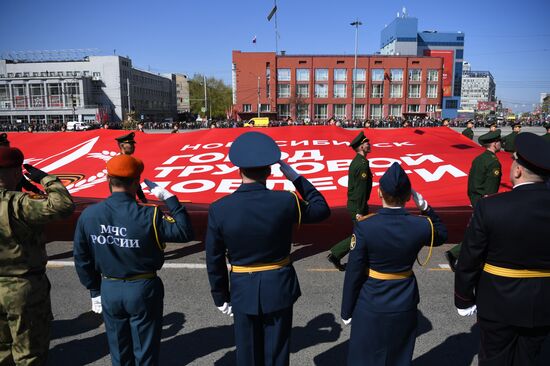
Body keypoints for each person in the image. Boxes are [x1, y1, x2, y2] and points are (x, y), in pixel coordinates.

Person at [205, 131, 330, 366]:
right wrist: (297, 178)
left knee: (248, 356)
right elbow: (321, 209)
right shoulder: (286, 201)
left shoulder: (219, 209)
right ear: (270, 171)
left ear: (238, 170)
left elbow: (214, 258)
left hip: (242, 291)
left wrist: (220, 295)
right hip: (279, 287)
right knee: (277, 355)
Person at [73, 154, 194, 366]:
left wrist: (94, 289)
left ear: (108, 180)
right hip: (142, 287)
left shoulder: (89, 214)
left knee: (119, 351)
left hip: (109, 286)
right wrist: (170, 198)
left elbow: (81, 257)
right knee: (145, 353)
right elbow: (184, 232)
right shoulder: (149, 215)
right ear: (137, 182)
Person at [455, 132, 550, 366]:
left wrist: (464, 298)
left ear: (517, 170)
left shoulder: (491, 207)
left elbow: (470, 258)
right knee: (531, 358)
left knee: (494, 358)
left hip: (498, 301)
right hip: (543, 303)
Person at [341, 162, 447, 366]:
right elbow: (442, 233)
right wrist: (424, 205)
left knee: (364, 357)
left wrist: (347, 310)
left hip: (371, 299)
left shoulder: (365, 226)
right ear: (408, 196)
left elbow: (353, 272)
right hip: (404, 298)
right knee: (398, 356)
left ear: (379, 193)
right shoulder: (421, 225)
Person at [0, 147, 75, 364]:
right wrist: (46, 179)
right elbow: (63, 206)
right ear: (16, 173)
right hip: (22, 288)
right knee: (29, 354)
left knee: (2, 351)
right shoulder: (18, 204)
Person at [446, 129, 503, 271]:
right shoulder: (493, 162)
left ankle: (457, 254)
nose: (501, 144)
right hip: (484, 201)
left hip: (475, 197)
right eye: (499, 141)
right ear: (494, 143)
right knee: (483, 233)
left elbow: (472, 182)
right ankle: (456, 253)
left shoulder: (479, 158)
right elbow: (491, 190)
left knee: (480, 232)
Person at [327, 131, 372, 271]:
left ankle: (338, 255)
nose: (369, 144)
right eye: (366, 143)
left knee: (361, 234)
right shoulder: (362, 165)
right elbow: (361, 190)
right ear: (361, 147)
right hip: (358, 205)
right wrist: (360, 211)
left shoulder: (359, 161)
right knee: (361, 235)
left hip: (356, 203)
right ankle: (336, 254)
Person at [115, 132, 147, 203]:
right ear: (122, 146)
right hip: (123, 200)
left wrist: (142, 197)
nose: (134, 146)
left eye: (133, 144)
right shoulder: (117, 163)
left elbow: (136, 182)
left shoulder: (132, 161)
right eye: (131, 144)